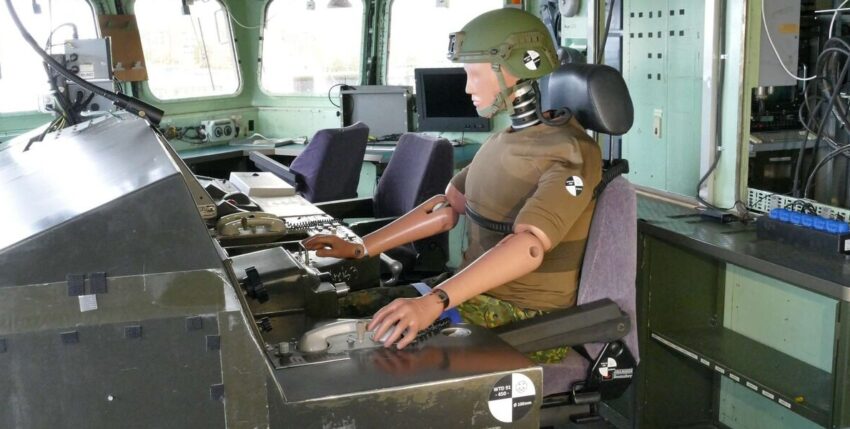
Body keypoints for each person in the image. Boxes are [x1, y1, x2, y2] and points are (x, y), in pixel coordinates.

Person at [303, 8, 602, 362]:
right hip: (472, 296)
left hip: (525, 319)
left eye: (474, 74)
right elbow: (446, 209)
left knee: (353, 350)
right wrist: (359, 248)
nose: (466, 87)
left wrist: (434, 302)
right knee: (330, 314)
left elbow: (529, 248)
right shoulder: (506, 139)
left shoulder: (571, 153)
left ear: (515, 69)